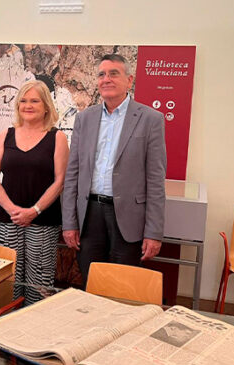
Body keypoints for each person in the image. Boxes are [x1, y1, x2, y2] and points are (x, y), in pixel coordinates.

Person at [62, 53, 167, 285]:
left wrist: (153, 232)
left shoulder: (150, 119)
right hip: (90, 216)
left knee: (123, 287)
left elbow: (156, 181)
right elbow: (73, 174)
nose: (106, 79)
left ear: (129, 81)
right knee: (91, 281)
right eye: (101, 74)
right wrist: (69, 223)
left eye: (113, 74)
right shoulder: (84, 119)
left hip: (129, 219)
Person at [0, 80, 69, 304]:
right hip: (8, 218)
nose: (28, 105)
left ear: (46, 106)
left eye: (34, 100)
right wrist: (12, 209)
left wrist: (34, 210)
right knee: (9, 279)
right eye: (23, 100)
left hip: (43, 220)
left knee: (39, 283)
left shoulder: (57, 137)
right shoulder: (6, 135)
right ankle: (5, 328)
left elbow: (60, 181)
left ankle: (34, 331)